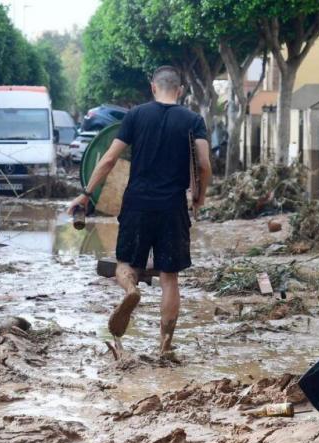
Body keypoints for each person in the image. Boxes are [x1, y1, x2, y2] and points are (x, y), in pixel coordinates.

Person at [68, 66, 212, 356]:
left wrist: (85, 195)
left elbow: (109, 159)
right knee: (169, 276)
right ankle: (165, 344)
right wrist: (199, 197)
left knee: (125, 264)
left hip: (137, 203)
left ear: (153, 87)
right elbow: (205, 164)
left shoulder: (135, 115)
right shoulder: (193, 120)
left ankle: (131, 291)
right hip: (173, 206)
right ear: (180, 90)